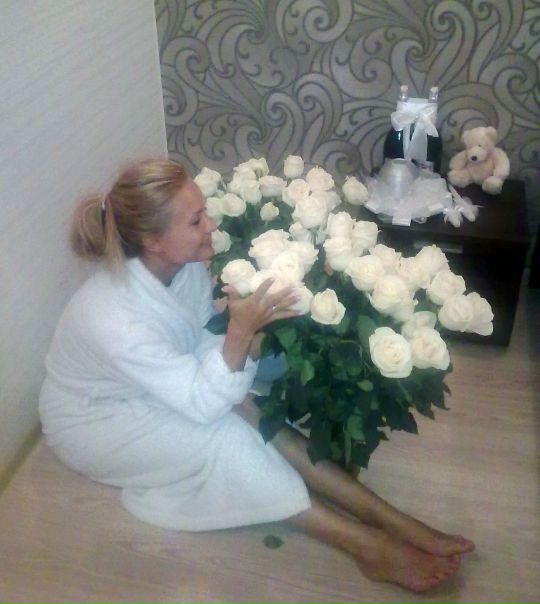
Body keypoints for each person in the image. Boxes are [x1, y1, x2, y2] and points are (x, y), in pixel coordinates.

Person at [39, 158, 474, 593]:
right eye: (196, 221)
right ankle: (365, 545)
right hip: (96, 422)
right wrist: (240, 332)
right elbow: (206, 399)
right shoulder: (114, 319)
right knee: (228, 438)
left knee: (257, 413)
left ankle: (389, 518)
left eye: (205, 212)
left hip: (159, 384)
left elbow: (203, 343)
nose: (211, 225)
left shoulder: (182, 267)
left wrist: (241, 337)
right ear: (153, 240)